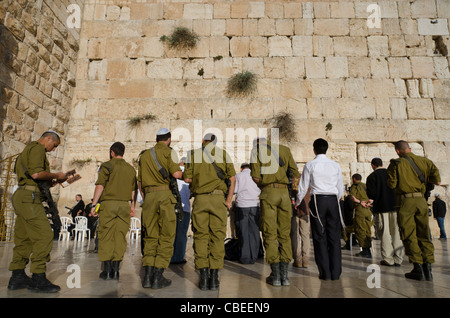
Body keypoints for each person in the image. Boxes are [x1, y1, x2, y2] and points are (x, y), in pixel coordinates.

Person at [8, 130, 70, 293]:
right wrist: (57, 174)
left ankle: (17, 275)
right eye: (54, 145)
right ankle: (38, 277)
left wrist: (52, 181)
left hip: (23, 195)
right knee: (45, 235)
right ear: (48, 139)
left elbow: (32, 176)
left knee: (24, 237)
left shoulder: (27, 150)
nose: (53, 149)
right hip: (29, 198)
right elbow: (36, 174)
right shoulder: (37, 149)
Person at [183, 133, 236, 290]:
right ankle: (214, 278)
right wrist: (228, 200)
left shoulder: (193, 155)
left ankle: (203, 277)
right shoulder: (223, 154)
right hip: (219, 200)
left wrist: (200, 179)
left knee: (200, 236)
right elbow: (233, 179)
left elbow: (186, 179)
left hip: (200, 199)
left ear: (203, 141)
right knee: (217, 237)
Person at [387, 140, 441, 281]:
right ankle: (428, 270)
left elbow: (392, 184)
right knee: (424, 234)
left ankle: (418, 268)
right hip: (422, 201)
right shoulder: (425, 161)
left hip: (406, 202)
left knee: (409, 234)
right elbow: (438, 181)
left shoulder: (396, 164)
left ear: (398, 151)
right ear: (409, 149)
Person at [250, 137, 299, 286]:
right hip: (285, 194)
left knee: (269, 233)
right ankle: (285, 276)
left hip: (269, 193)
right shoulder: (285, 150)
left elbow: (256, 177)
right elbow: (295, 173)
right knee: (284, 234)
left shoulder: (256, 151)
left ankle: (276, 275)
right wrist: (292, 190)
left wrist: (265, 184)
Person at [139, 128, 182, 289]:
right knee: (166, 236)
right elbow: (176, 174)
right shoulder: (170, 152)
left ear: (156, 138)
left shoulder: (144, 155)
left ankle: (148, 276)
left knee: (150, 236)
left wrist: (147, 197)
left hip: (149, 197)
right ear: (169, 139)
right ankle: (158, 276)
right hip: (165, 196)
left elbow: (140, 182)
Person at [296, 138, 345, 281]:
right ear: (327, 149)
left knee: (319, 236)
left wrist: (298, 201)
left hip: (318, 200)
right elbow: (340, 187)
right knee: (334, 236)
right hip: (333, 200)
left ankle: (325, 272)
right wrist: (335, 199)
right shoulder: (335, 165)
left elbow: (303, 186)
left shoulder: (310, 164)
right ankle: (336, 273)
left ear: (314, 149)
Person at [91, 142, 137, 280]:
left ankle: (107, 270)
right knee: (120, 236)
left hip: (109, 204)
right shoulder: (130, 169)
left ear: (112, 152)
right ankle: (116, 270)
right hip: (124, 205)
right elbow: (133, 190)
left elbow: (100, 185)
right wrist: (132, 207)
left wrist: (94, 205)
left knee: (106, 235)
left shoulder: (107, 166)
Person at [366, 158, 404, 266]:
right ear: (382, 164)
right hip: (395, 207)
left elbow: (371, 194)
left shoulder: (372, 177)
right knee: (396, 232)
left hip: (381, 208)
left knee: (385, 233)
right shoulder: (391, 173)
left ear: (373, 165)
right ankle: (398, 258)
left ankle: (388, 259)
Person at [234, 163, 262, 264]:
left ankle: (245, 257)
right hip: (255, 204)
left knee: (243, 231)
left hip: (242, 205)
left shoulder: (239, 175)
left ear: (241, 168)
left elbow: (235, 190)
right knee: (254, 231)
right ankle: (254, 256)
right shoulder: (256, 175)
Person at [170, 157, 191, 264]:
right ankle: (178, 257)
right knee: (181, 235)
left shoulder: (173, 173)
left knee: (171, 234)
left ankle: (169, 257)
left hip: (172, 207)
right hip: (185, 208)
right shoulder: (188, 176)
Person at [348, 173, 373, 258]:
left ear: (354, 179)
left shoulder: (354, 186)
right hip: (368, 209)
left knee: (360, 230)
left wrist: (360, 202)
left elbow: (352, 197)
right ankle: (368, 249)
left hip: (360, 209)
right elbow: (371, 195)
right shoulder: (365, 185)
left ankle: (365, 250)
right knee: (367, 229)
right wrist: (368, 202)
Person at [291, 173, 311, 268]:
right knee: (305, 235)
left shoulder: (290, 180)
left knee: (294, 234)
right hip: (305, 210)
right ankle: (305, 259)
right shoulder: (306, 179)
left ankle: (297, 259)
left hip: (294, 210)